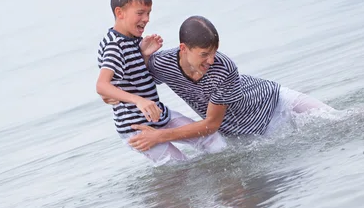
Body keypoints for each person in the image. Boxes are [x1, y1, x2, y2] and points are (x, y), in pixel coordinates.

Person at [126, 15, 338, 152]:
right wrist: (143, 56)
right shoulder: (163, 63)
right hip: (249, 137)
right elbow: (138, 81)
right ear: (183, 48)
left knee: (340, 121)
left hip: (277, 103)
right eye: (204, 54)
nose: (211, 60)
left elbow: (211, 125)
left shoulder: (223, 68)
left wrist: (159, 136)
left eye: (214, 52)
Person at [96, 0, 226, 165]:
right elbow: (102, 85)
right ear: (120, 12)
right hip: (136, 128)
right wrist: (139, 100)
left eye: (149, 13)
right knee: (179, 166)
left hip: (160, 115)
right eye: (140, 13)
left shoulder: (132, 40)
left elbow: (129, 76)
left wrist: (144, 56)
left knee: (212, 140)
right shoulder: (114, 45)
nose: (146, 19)